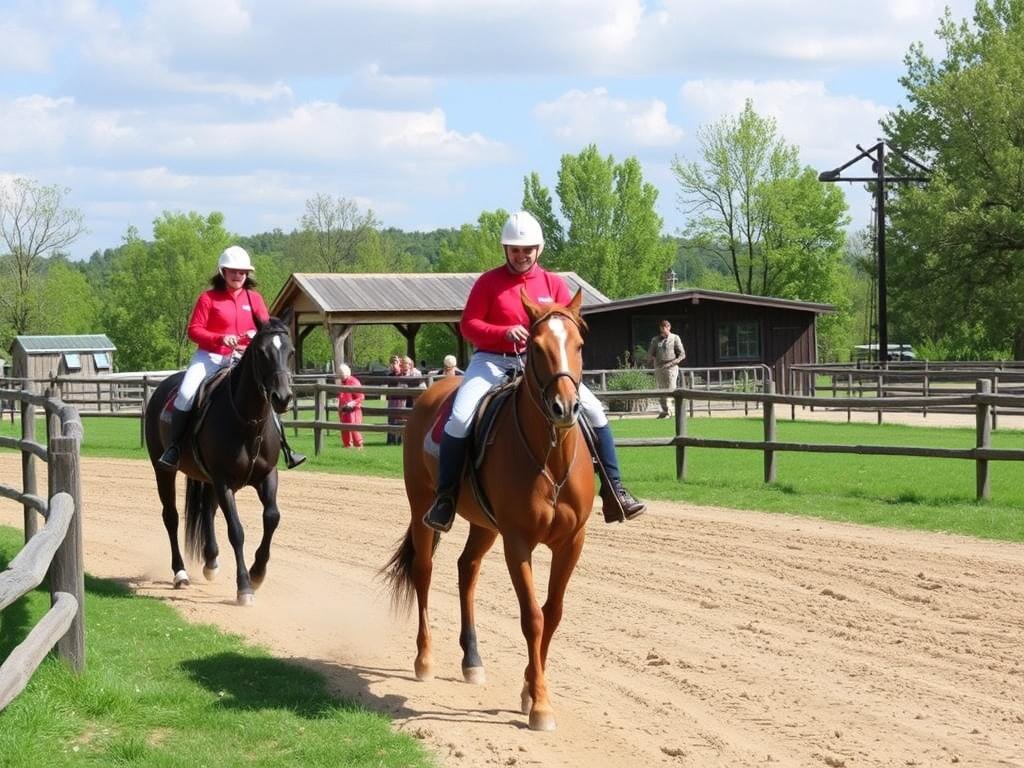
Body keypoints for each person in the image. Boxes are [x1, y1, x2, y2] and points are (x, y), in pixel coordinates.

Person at [423, 210, 645, 533]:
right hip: (492, 361)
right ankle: (445, 498)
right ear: (505, 250)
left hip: (544, 367)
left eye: (527, 249)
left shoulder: (553, 284)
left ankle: (615, 490)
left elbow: (566, 325)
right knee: (461, 416)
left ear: (538, 249)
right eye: (515, 249)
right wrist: (503, 333)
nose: (521, 255)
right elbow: (468, 325)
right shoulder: (489, 282)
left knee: (596, 412)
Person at [157, 245, 306, 470]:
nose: (239, 276)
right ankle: (175, 448)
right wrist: (219, 338)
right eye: (234, 271)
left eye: (243, 272)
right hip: (210, 357)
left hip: (243, 359)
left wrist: (254, 335)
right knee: (186, 393)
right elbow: (194, 330)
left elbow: (266, 328)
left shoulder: (254, 299)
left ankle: (285, 447)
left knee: (266, 398)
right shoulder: (208, 298)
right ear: (222, 272)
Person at [647, 319, 686, 418]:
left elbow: (682, 355)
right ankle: (664, 412)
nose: (663, 330)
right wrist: (650, 361)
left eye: (665, 327)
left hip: (671, 367)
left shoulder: (675, 338)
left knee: (670, 389)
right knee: (661, 390)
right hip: (659, 367)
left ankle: (670, 412)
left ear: (669, 327)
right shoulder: (655, 339)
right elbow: (651, 353)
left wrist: (672, 363)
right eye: (661, 328)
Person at [336, 362, 364, 448]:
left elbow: (361, 397)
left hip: (353, 410)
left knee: (354, 428)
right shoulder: (343, 382)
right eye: (339, 373)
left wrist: (351, 403)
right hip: (344, 410)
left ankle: (359, 446)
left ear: (347, 372)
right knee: (344, 429)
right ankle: (347, 446)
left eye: (342, 373)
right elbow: (342, 396)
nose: (340, 375)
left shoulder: (353, 381)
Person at [385, 355, 404, 446]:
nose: (394, 364)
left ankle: (399, 440)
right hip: (393, 400)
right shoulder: (390, 375)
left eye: (396, 362)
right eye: (393, 362)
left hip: (401, 400)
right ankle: (391, 440)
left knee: (400, 419)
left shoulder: (403, 374)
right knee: (391, 419)